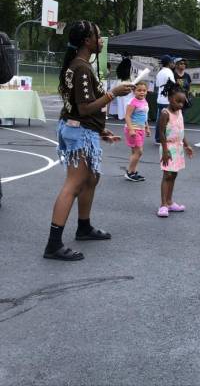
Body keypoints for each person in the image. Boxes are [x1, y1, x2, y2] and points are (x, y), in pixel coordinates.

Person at [43, 20, 133, 261]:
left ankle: (84, 227)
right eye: (98, 36)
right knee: (74, 183)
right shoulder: (81, 67)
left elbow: (79, 107)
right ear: (87, 41)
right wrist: (113, 94)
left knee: (92, 178)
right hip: (78, 130)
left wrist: (100, 130)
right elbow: (83, 108)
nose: (101, 40)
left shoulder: (80, 65)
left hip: (84, 129)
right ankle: (53, 244)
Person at [157, 81, 194, 217]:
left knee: (174, 174)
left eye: (182, 102)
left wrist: (187, 145)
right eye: (177, 101)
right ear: (169, 98)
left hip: (178, 147)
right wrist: (165, 151)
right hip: (168, 147)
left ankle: (170, 202)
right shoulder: (165, 113)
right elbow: (161, 133)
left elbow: (181, 130)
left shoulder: (179, 112)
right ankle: (163, 205)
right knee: (167, 175)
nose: (180, 105)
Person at [124, 81, 151, 181]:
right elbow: (127, 116)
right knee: (139, 152)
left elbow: (145, 116)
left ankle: (133, 172)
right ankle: (130, 172)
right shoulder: (132, 102)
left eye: (144, 90)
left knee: (135, 152)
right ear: (134, 91)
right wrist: (131, 130)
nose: (142, 92)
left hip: (141, 129)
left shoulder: (144, 101)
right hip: (133, 129)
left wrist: (147, 127)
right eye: (139, 90)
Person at [154, 55, 175, 144]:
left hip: (160, 99)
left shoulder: (160, 72)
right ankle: (162, 138)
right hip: (167, 100)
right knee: (167, 120)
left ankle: (158, 138)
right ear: (169, 63)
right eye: (172, 62)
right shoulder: (169, 72)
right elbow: (172, 85)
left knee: (160, 119)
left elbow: (158, 85)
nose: (173, 64)